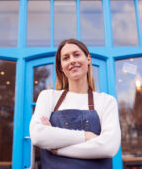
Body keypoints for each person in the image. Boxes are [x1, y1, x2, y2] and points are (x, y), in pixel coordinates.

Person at [29, 39, 121, 169]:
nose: (72, 60)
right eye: (66, 58)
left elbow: (108, 147)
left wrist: (57, 150)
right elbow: (38, 135)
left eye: (76, 54)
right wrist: (86, 136)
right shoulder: (48, 97)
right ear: (61, 67)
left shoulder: (106, 101)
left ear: (88, 59)